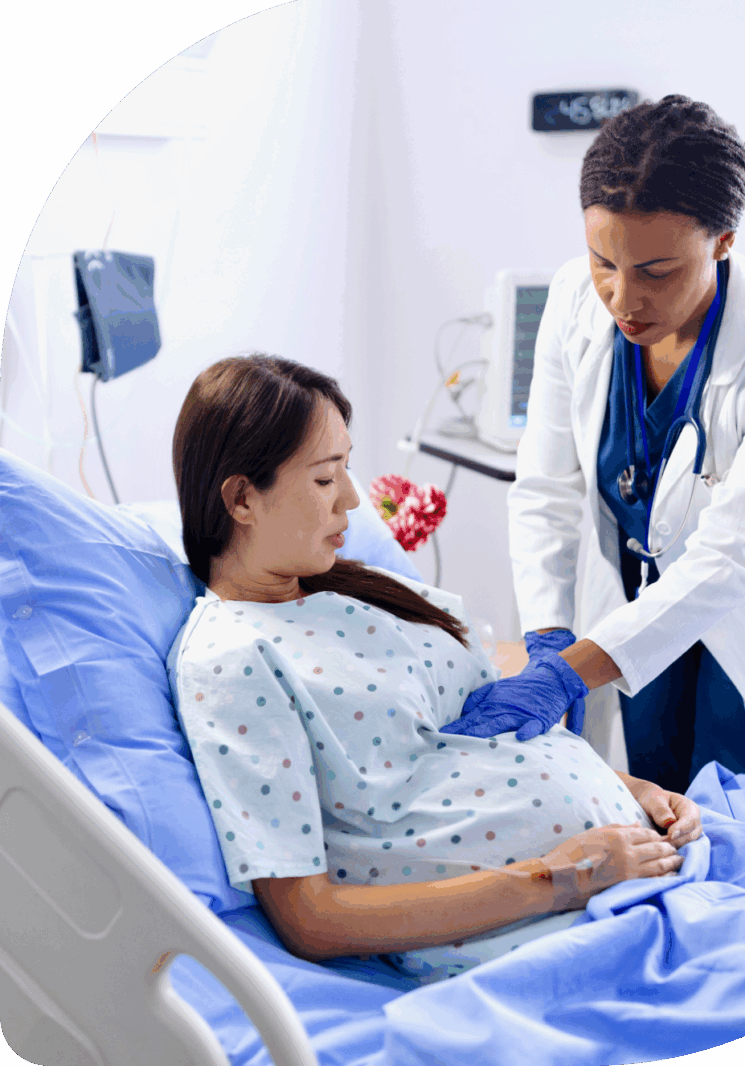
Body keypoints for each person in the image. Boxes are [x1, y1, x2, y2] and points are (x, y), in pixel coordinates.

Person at [167, 354, 701, 976]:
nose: (352, 499)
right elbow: (309, 918)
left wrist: (633, 792)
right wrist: (561, 878)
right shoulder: (233, 662)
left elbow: (478, 743)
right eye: (324, 478)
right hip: (555, 931)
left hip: (640, 872)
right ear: (242, 499)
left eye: (347, 469)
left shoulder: (360, 594)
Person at [441, 95, 745, 798]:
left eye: (656, 271)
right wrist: (549, 636)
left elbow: (734, 554)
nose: (622, 298)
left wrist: (571, 673)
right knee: (650, 814)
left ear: (723, 241)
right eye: (603, 260)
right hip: (638, 620)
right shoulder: (572, 299)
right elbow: (545, 488)